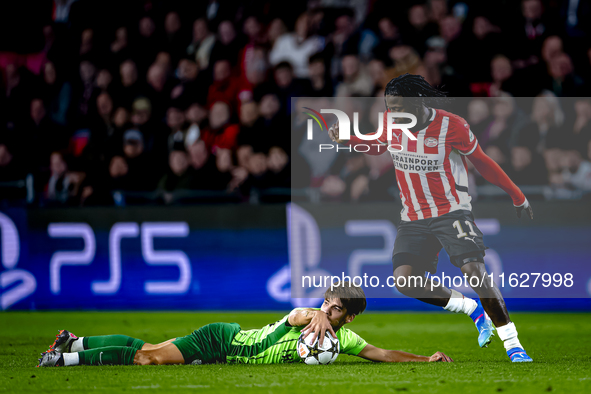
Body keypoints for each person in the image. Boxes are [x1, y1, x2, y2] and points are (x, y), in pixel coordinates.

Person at [327, 74, 533, 363]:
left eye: (398, 107)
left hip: (451, 211)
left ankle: (514, 345)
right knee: (404, 281)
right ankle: (471, 309)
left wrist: (517, 195)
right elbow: (378, 144)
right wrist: (349, 138)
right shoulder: (390, 122)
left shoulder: (453, 126)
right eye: (390, 107)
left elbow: (483, 162)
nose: (393, 113)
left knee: (475, 272)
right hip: (413, 217)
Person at [37, 282, 452, 367]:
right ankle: (62, 361)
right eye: (326, 301)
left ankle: (74, 341)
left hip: (225, 350)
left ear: (351, 316)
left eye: (337, 307)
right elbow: (303, 314)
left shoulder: (344, 336)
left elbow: (380, 354)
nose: (327, 309)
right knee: (148, 360)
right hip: (222, 341)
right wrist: (322, 311)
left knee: (146, 346)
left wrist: (425, 359)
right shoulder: (304, 318)